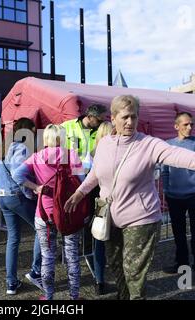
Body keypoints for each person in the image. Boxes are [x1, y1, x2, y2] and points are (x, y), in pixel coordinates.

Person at [64, 95, 195, 300]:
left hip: (141, 219)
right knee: (117, 268)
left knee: (133, 272)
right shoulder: (104, 144)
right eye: (124, 117)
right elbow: (96, 173)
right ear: (112, 118)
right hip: (110, 218)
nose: (130, 122)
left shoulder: (148, 144)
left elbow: (177, 155)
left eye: (134, 117)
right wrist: (80, 193)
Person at [13, 124, 85, 300]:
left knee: (47, 257)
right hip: (69, 211)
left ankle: (49, 297)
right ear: (61, 137)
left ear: (46, 138)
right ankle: (74, 297)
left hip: (44, 213)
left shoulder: (36, 157)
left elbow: (17, 175)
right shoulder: (72, 155)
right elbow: (82, 182)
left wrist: (36, 187)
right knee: (72, 256)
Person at [161, 112, 195, 289]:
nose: (189, 127)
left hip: (194, 197)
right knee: (179, 235)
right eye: (185, 124)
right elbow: (164, 169)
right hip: (174, 197)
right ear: (176, 126)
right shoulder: (168, 145)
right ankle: (182, 266)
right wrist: (167, 189)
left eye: (191, 124)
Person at [61, 103, 107, 295]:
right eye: (99, 119)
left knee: (99, 227)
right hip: (77, 185)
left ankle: (99, 275)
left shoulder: (102, 130)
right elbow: (59, 153)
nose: (101, 123)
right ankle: (76, 265)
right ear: (89, 116)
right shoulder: (67, 127)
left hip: (98, 186)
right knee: (77, 224)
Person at [0, 118, 42, 295]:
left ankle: (11, 283)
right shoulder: (21, 148)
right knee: (41, 228)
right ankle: (36, 272)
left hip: (2, 196)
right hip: (16, 196)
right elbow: (18, 176)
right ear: (29, 130)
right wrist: (34, 191)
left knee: (13, 238)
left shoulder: (4, 147)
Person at [91, 120, 115, 295]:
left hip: (99, 202)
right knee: (119, 241)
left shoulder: (92, 154)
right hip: (118, 200)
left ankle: (99, 281)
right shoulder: (119, 152)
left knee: (99, 240)